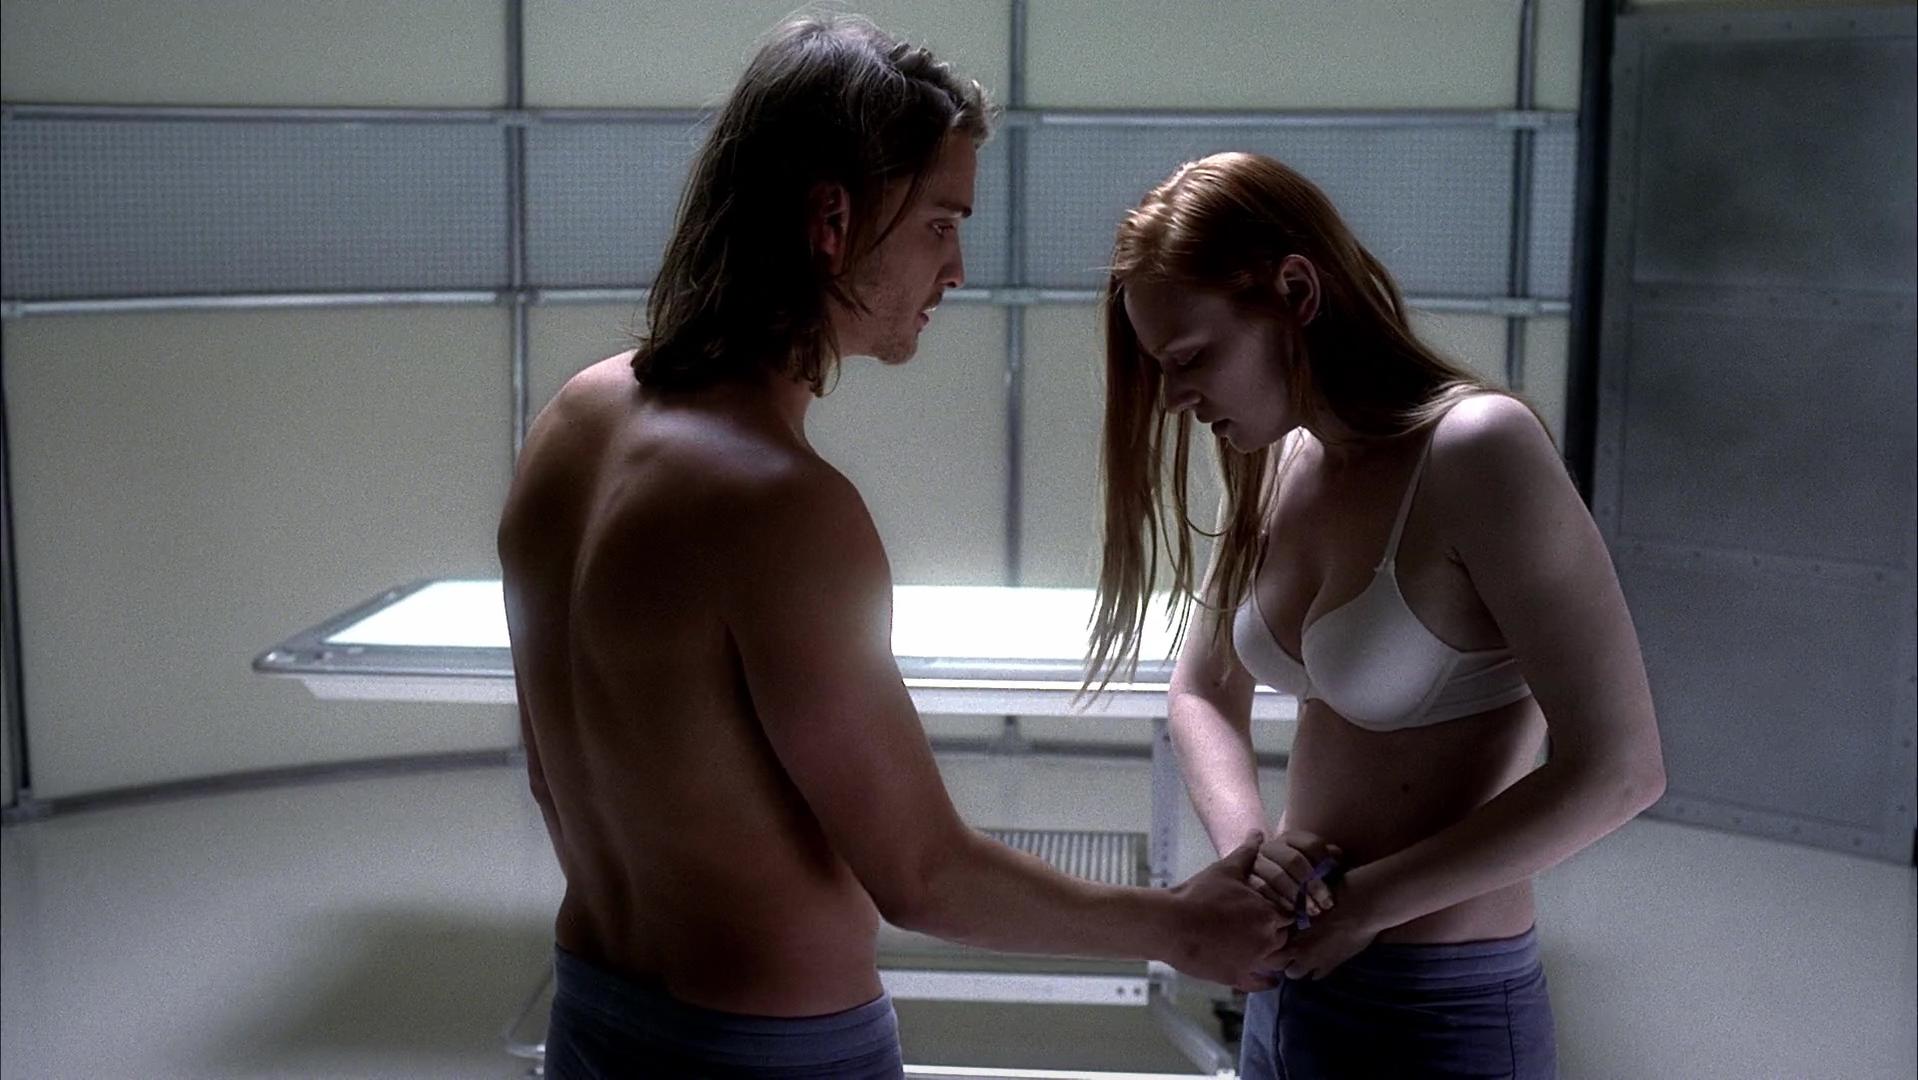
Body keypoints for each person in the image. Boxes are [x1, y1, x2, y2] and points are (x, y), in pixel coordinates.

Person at [496, 18, 1291, 1079]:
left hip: (595, 1015)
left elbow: (552, 777)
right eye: (939, 223)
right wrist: (1181, 927)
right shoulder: (780, 507)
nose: (956, 268)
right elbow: (922, 876)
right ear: (834, 220)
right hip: (767, 1051)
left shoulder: (573, 420)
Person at [1085, 151, 1668, 1078]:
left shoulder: (1478, 450)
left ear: (1295, 291)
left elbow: (1621, 772)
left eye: (1191, 359)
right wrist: (1251, 855)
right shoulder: (1279, 462)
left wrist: (1367, 905)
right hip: (1288, 988)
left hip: (1439, 1011)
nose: (1176, 399)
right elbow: (1200, 690)